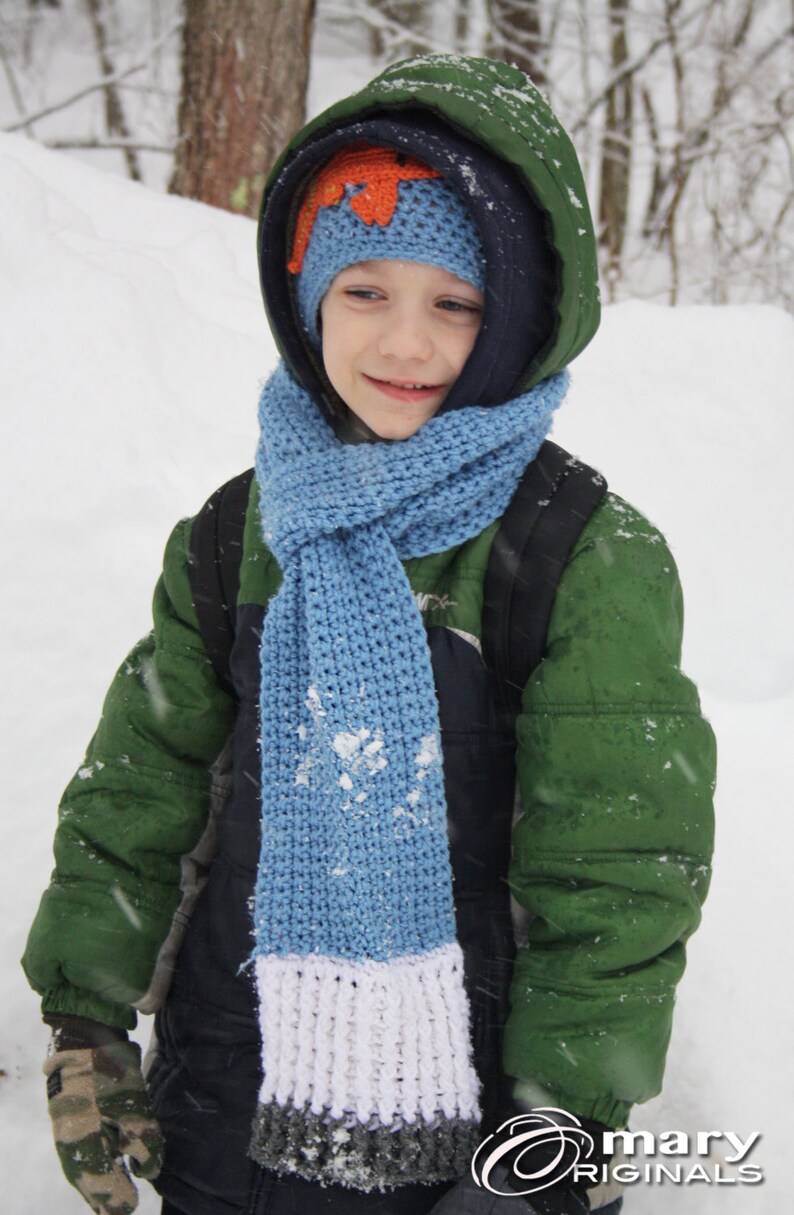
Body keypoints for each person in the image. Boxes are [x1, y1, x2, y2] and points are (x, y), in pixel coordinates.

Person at [22, 54, 716, 1215]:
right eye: (363, 292)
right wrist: (86, 1013)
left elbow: (616, 868)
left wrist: (564, 1120)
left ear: (521, 320)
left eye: (454, 303)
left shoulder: (577, 554)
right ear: (304, 299)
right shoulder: (238, 530)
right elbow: (144, 783)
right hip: (223, 1096)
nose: (404, 343)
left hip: (466, 1112)